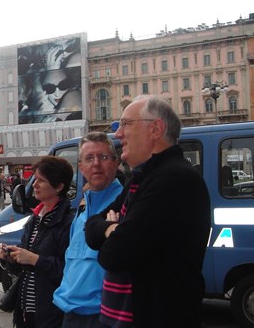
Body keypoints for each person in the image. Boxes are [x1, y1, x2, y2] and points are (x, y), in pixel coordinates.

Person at [84, 95, 211, 328]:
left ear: (155, 129)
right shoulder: (142, 178)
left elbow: (114, 255)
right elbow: (91, 227)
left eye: (125, 124)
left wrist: (110, 232)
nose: (118, 134)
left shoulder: (174, 178)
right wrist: (112, 229)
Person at [53, 132, 124, 328]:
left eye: (103, 157)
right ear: (81, 167)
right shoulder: (83, 209)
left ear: (115, 163)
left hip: (104, 315)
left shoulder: (124, 204)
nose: (96, 164)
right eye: (89, 158)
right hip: (70, 312)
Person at [0, 155, 75, 327]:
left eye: (41, 180)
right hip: (26, 312)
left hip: (50, 313)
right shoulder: (35, 219)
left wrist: (35, 259)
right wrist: (10, 257)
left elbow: (69, 271)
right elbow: (23, 269)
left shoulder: (68, 222)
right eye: (35, 179)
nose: (34, 185)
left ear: (59, 186)